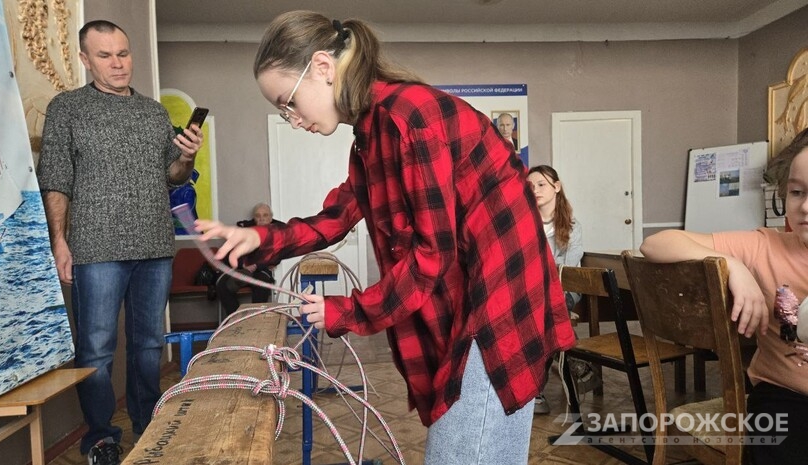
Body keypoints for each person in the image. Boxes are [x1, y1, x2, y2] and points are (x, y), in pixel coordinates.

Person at [195, 11, 575, 464]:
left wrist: (348, 310)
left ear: (322, 67)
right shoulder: (371, 136)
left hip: (499, 307)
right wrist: (260, 238)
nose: (291, 119)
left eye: (288, 101)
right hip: (473, 304)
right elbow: (335, 218)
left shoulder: (408, 120)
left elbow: (430, 259)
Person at [36, 20, 203, 465]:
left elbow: (173, 178)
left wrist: (186, 155)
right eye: (106, 55)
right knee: (95, 349)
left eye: (124, 54)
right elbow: (55, 179)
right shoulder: (67, 108)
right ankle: (101, 438)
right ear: (86, 60)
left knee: (149, 346)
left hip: (154, 246)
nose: (118, 63)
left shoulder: (153, 112)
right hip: (94, 249)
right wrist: (60, 242)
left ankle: (149, 427)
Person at [639, 128, 808, 465]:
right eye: (797, 192)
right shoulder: (764, 246)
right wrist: (732, 265)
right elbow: (655, 244)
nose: (805, 206)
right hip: (786, 396)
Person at [527, 165, 597, 414]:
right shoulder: (525, 224)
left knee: (545, 316)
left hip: (565, 289)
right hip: (533, 293)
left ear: (556, 187)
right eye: (531, 186)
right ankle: (575, 361)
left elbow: (567, 269)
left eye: (541, 184)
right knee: (545, 320)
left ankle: (534, 393)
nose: (535, 190)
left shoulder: (573, 225)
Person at [217, 202, 285, 314]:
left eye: (265, 215)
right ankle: (236, 318)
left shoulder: (276, 233)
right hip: (240, 268)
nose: (262, 219)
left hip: (260, 270)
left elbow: (277, 256)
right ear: (254, 218)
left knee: (262, 284)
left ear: (271, 218)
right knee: (222, 284)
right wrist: (242, 264)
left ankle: (255, 319)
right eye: (258, 216)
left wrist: (255, 265)